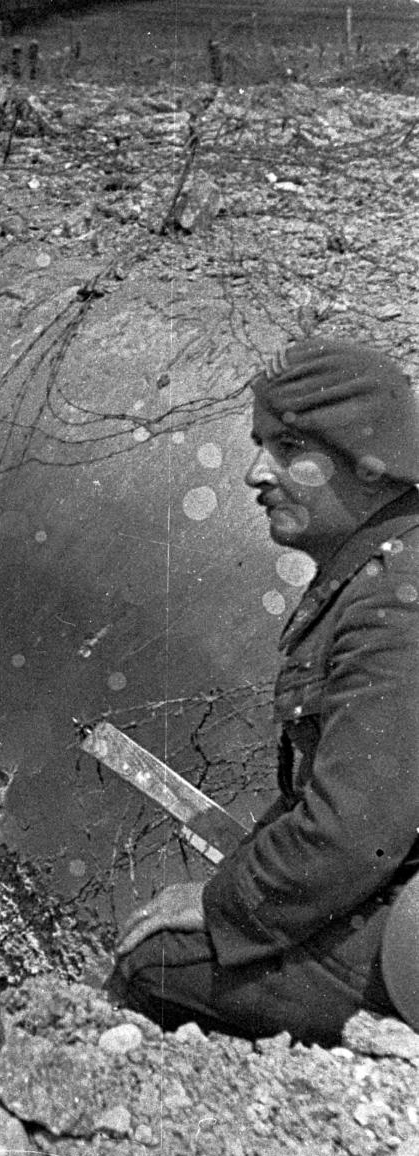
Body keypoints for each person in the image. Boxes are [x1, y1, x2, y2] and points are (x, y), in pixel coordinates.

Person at [112, 337, 419, 1044]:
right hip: (385, 892)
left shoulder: (396, 605)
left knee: (157, 966)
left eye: (288, 448)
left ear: (365, 463)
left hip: (401, 917)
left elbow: (355, 833)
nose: (256, 472)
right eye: (259, 445)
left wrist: (228, 910)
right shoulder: (376, 571)